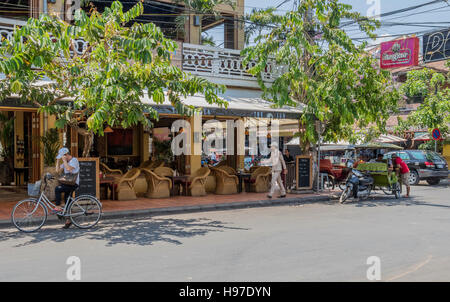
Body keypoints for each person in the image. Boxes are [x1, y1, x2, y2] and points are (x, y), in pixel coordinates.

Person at [54, 147, 80, 229]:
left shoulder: (74, 160)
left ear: (66, 154)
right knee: (67, 201)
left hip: (73, 183)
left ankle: (58, 208)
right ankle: (68, 221)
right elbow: (57, 171)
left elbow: (69, 169)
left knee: (57, 189)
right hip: (68, 183)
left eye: (62, 156)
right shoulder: (66, 161)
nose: (62, 158)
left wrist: (64, 161)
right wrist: (58, 160)